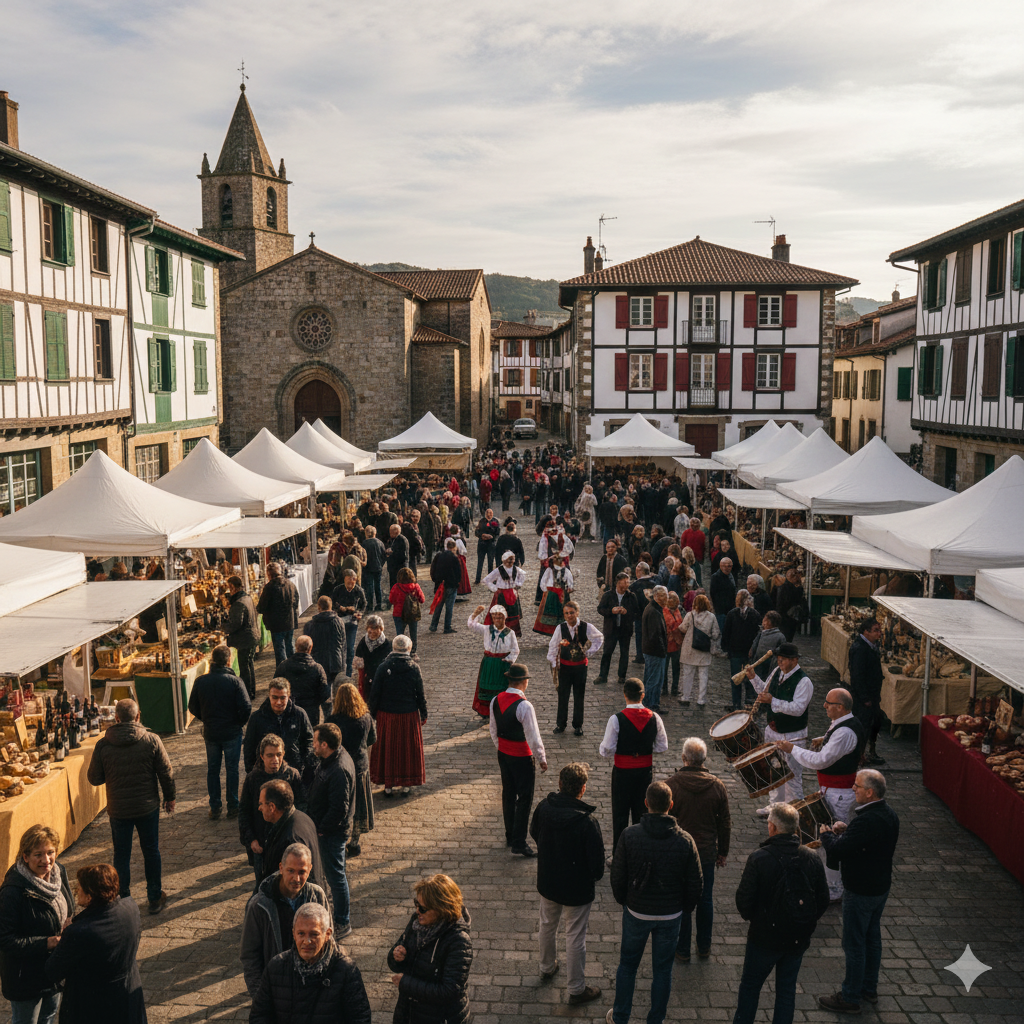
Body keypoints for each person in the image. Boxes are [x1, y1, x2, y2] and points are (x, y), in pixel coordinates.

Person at [607, 781, 703, 1024]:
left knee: (628, 966)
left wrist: (626, 902)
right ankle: (655, 1019)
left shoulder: (630, 835)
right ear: (671, 806)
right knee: (662, 970)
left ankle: (620, 1017)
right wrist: (684, 908)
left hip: (637, 912)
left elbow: (617, 876)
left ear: (646, 803)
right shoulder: (685, 840)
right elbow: (696, 884)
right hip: (670, 915)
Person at [732, 802, 829, 1024]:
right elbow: (822, 898)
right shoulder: (811, 858)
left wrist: (755, 918)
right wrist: (806, 921)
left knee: (750, 987)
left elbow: (744, 900)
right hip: (797, 937)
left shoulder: (760, 858)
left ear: (773, 828)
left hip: (764, 937)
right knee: (786, 990)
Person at [817, 769, 900, 1015]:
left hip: (860, 890)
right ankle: (868, 988)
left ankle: (850, 996)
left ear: (870, 792)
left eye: (857, 786)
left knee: (854, 944)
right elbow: (864, 842)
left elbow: (839, 852)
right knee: (872, 940)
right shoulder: (888, 814)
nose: (853, 788)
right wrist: (848, 832)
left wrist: (827, 835)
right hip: (880, 888)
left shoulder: (866, 820)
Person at [775, 688, 867, 902]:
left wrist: (792, 750)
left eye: (828, 703)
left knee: (831, 841)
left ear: (841, 707)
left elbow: (821, 760)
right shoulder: (845, 724)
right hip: (835, 790)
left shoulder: (845, 732)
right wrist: (823, 739)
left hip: (839, 794)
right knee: (829, 838)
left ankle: (834, 888)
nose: (824, 706)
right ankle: (830, 882)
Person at [87, 699, 174, 915]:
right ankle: (154, 897)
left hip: (119, 809)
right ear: (138, 716)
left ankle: (122, 899)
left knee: (121, 855)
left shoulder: (103, 744)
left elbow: (94, 778)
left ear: (116, 718)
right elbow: (166, 772)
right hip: (147, 807)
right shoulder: (151, 740)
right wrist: (170, 797)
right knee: (151, 851)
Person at [530, 762, 604, 1006]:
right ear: (582, 789)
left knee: (547, 924)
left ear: (560, 784)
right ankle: (576, 988)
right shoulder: (587, 822)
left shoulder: (544, 808)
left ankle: (546, 966)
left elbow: (533, 833)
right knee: (575, 936)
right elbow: (597, 866)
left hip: (549, 880)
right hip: (577, 888)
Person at [42, 863, 145, 1023]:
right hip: (127, 999)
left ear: (90, 896)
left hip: (93, 1008)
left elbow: (53, 971)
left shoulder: (80, 932)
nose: (76, 891)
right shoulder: (131, 909)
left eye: (80, 888)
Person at [665, 738, 731, 962]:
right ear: (704, 760)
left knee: (682, 900)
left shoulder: (672, 785)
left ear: (684, 758)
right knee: (706, 900)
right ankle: (704, 947)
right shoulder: (717, 786)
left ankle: (682, 950)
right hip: (705, 851)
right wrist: (722, 851)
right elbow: (725, 823)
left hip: (678, 851)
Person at [0, 825, 74, 1024]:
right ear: (25, 856)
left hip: (54, 970)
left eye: (50, 853)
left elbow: (70, 905)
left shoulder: (59, 872)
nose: (46, 860)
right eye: (38, 854)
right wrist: (47, 943)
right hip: (25, 978)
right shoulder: (13, 892)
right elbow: (6, 941)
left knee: (49, 1017)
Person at [250, 903, 371, 1024]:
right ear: (294, 934)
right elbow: (259, 1015)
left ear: (327, 934)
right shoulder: (276, 967)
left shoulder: (346, 970)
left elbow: (360, 1018)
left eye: (314, 934)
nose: (307, 941)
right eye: (301, 933)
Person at [240, 843, 329, 997]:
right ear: (281, 868)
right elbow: (250, 956)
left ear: (310, 869)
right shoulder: (259, 905)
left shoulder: (317, 896)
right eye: (290, 871)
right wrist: (260, 996)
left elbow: (328, 943)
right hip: (277, 990)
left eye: (302, 872)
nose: (296, 878)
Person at [387, 874, 473, 1024]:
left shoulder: (459, 941)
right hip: (409, 1013)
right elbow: (398, 956)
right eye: (416, 903)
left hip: (440, 1017)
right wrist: (397, 956)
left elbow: (449, 991)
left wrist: (406, 984)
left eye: (423, 908)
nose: (417, 910)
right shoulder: (417, 922)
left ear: (441, 909)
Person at [599, 678, 669, 854]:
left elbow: (606, 749)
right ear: (643, 696)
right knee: (642, 812)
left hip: (622, 772)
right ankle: (641, 851)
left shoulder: (616, 719)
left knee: (620, 815)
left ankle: (619, 853)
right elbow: (662, 746)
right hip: (644, 772)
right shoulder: (655, 717)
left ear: (625, 695)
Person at [745, 642, 814, 811]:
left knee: (792, 775)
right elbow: (765, 690)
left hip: (792, 735)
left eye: (783, 659)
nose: (780, 662)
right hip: (773, 731)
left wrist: (772, 701)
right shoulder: (777, 672)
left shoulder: (804, 682)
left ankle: (793, 810)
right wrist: (753, 677)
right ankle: (775, 806)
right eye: (779, 659)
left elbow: (798, 709)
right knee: (774, 770)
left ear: (794, 660)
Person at [187, 644, 251, 820]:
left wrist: (206, 718)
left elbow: (192, 706)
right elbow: (246, 707)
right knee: (232, 770)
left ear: (212, 660)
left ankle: (215, 806)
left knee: (213, 770)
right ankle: (233, 806)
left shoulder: (201, 681)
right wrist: (238, 722)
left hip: (211, 732)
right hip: (231, 732)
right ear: (228, 660)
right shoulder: (236, 681)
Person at [489, 663, 548, 856]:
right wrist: (541, 758)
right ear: (523, 682)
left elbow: (493, 731)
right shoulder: (524, 706)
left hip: (504, 754)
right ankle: (519, 841)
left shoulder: (495, 700)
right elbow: (533, 736)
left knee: (508, 794)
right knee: (524, 798)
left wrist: (502, 748)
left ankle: (510, 833)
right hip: (522, 757)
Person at [308, 724, 357, 937]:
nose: (313, 745)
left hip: (331, 834)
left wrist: (321, 830)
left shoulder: (338, 770)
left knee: (336, 877)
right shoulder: (335, 757)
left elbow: (339, 809)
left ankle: (342, 922)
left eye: (315, 742)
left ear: (325, 745)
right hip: (329, 830)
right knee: (337, 875)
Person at [239, 734, 306, 883]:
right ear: (262, 756)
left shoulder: (292, 776)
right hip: (261, 844)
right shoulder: (252, 779)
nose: (275, 759)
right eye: (270, 755)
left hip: (286, 843)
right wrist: (251, 840)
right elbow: (244, 812)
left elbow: (302, 807)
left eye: (278, 754)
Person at [369, 635, 427, 797]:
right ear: (408, 648)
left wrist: (372, 713)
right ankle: (406, 784)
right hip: (408, 714)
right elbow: (420, 694)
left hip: (386, 715)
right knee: (406, 749)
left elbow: (375, 694)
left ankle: (388, 785)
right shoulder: (414, 668)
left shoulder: (383, 667)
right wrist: (424, 713)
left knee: (388, 748)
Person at [328, 683, 376, 856]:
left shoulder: (333, 721)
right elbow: (372, 739)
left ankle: (341, 838)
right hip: (360, 766)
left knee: (342, 804)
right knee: (360, 806)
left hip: (340, 767)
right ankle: (354, 842)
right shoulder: (366, 718)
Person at [257, 780, 326, 892]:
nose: (259, 808)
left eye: (261, 804)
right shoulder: (302, 817)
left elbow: (293, 883)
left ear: (272, 807)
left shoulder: (291, 839)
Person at [546, 601, 603, 736]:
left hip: (580, 668)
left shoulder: (586, 626)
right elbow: (553, 646)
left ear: (577, 612)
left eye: (572, 612)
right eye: (566, 613)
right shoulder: (560, 628)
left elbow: (599, 638)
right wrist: (554, 663)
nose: (569, 615)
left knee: (579, 696)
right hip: (565, 668)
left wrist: (589, 652)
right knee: (563, 696)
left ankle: (578, 725)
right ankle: (561, 724)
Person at [243, 679, 315, 779]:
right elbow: (249, 747)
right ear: (269, 696)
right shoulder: (257, 718)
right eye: (275, 697)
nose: (278, 702)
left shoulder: (299, 714)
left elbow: (309, 740)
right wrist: (252, 772)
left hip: (293, 774)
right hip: (265, 775)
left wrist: (304, 765)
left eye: (282, 698)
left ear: (288, 696)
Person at [467, 604, 519, 718]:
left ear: (505, 618)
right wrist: (476, 614)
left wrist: (508, 661)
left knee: (501, 687)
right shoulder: (487, 629)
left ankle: (500, 710)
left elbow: (515, 650)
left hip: (501, 664)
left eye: (500, 617)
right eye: (495, 617)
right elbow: (472, 625)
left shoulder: (510, 633)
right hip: (489, 663)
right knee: (486, 686)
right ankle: (485, 711)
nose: (497, 620)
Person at [848, 617, 885, 766]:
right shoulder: (860, 649)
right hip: (864, 698)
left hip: (872, 696)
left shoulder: (869, 646)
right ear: (866, 631)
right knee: (862, 726)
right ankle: (859, 755)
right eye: (876, 630)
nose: (880, 633)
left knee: (874, 722)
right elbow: (857, 675)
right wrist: (864, 698)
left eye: (879, 630)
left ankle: (868, 752)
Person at [276, 635, 331, 729]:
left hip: (290, 709)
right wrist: (315, 702)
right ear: (310, 648)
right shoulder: (317, 668)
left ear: (296, 647)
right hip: (311, 712)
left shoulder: (284, 666)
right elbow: (325, 693)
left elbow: (275, 686)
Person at [678, 593, 721, 708]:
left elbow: (682, 628)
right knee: (703, 676)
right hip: (704, 650)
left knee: (687, 674)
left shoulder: (689, 615)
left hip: (689, 649)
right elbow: (716, 634)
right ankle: (701, 700)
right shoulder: (711, 617)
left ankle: (685, 698)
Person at [596, 572, 640, 686]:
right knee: (607, 652)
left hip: (625, 629)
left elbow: (637, 613)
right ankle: (603, 675)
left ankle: (622, 676)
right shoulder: (608, 595)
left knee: (624, 653)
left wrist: (627, 613)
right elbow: (600, 609)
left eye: (628, 582)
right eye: (625, 582)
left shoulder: (631, 596)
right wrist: (611, 611)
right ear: (618, 582)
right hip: (611, 629)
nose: (627, 584)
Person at [257, 562, 300, 667]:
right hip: (290, 622)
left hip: (276, 624)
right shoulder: (290, 585)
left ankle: (283, 672)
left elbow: (261, 607)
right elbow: (296, 601)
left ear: (269, 574)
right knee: (289, 646)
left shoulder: (269, 587)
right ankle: (293, 669)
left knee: (280, 650)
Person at [226, 574, 260, 699]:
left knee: (245, 667)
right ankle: (251, 691)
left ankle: (247, 693)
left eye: (229, 588)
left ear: (233, 587)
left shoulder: (239, 603)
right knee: (249, 664)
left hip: (245, 639)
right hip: (251, 636)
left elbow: (236, 624)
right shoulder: (247, 598)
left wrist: (224, 629)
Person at [303, 596, 347, 689]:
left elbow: (306, 647)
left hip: (317, 661)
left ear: (319, 607)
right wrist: (343, 663)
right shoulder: (339, 622)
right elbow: (343, 644)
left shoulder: (310, 625)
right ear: (330, 607)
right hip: (335, 660)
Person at [331, 570, 367, 676]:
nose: (351, 584)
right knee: (339, 646)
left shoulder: (358, 590)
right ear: (345, 579)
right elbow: (333, 603)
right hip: (339, 621)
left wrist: (359, 613)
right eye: (349, 581)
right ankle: (339, 669)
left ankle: (349, 671)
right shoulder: (338, 589)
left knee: (350, 647)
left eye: (353, 581)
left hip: (352, 621)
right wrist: (341, 608)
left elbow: (364, 604)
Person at [483, 550, 526, 636]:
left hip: (512, 594)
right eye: (509, 560)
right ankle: (499, 630)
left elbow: (523, 574)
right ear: (504, 560)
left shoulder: (516, 569)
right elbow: (486, 580)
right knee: (501, 613)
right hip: (501, 594)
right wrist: (494, 589)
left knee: (513, 614)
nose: (510, 562)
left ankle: (512, 632)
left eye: (512, 560)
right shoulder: (499, 570)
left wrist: (519, 584)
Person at [641, 585, 670, 713]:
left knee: (652, 678)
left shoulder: (654, 609)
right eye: (664, 596)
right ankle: (651, 705)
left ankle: (651, 704)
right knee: (654, 680)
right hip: (655, 651)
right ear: (657, 596)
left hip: (652, 650)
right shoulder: (654, 611)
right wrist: (663, 650)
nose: (667, 599)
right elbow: (655, 635)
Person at [533, 551, 573, 635]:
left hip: (562, 595)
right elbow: (543, 582)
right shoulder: (549, 570)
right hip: (551, 594)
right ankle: (552, 633)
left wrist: (569, 588)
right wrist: (546, 592)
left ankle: (561, 633)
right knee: (550, 615)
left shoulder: (566, 571)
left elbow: (570, 583)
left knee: (562, 614)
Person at [353, 614, 392, 700]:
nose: (372, 634)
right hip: (367, 679)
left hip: (382, 679)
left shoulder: (387, 645)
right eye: (370, 632)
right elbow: (359, 666)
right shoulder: (363, 642)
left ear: (381, 629)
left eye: (375, 631)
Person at [429, 539, 463, 635]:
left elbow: (433, 569)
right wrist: (457, 583)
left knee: (438, 606)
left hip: (440, 584)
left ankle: (433, 625)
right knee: (449, 608)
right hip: (451, 585)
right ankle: (447, 627)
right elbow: (458, 573)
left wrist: (435, 580)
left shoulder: (438, 556)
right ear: (454, 548)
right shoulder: (454, 558)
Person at [389, 567, 425, 653]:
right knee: (413, 634)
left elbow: (391, 600)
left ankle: (400, 650)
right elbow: (422, 600)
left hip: (398, 613)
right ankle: (413, 651)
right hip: (413, 613)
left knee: (400, 634)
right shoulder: (415, 586)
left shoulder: (396, 587)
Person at [628, 562, 655, 664]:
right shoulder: (654, 583)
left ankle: (640, 655)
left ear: (638, 571)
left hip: (639, 615)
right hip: (652, 614)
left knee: (640, 635)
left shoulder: (635, 586)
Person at [772, 568, 805, 643]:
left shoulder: (781, 587)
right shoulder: (793, 588)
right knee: (787, 637)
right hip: (789, 617)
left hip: (782, 616)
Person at [709, 557, 737, 638]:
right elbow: (712, 593)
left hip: (730, 608)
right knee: (721, 630)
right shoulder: (715, 577)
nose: (727, 568)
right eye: (724, 566)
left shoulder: (731, 576)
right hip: (721, 609)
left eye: (729, 566)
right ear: (720, 566)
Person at [361, 524, 387, 611]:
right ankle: (379, 604)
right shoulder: (380, 542)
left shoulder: (364, 543)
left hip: (368, 568)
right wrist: (381, 564)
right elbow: (384, 555)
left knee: (369, 587)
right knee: (377, 586)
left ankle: (370, 605)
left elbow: (362, 556)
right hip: (378, 567)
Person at [664, 590, 684, 698]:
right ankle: (664, 688)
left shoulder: (678, 611)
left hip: (676, 644)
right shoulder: (664, 611)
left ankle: (675, 688)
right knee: (665, 668)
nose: (672, 601)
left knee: (676, 668)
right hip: (666, 643)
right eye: (670, 598)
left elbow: (681, 624)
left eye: (674, 599)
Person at [386, 523, 411, 606]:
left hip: (400, 567)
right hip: (394, 567)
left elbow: (403, 555)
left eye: (391, 531)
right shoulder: (393, 539)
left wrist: (392, 553)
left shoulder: (402, 540)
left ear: (396, 531)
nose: (389, 533)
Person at [474, 508, 499, 582]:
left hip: (491, 545)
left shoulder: (495, 521)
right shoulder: (482, 521)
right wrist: (482, 535)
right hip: (482, 544)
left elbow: (497, 533)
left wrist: (491, 537)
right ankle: (477, 579)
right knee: (480, 562)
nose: (489, 515)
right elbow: (477, 531)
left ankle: (490, 579)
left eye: (490, 513)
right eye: (487, 513)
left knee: (490, 562)